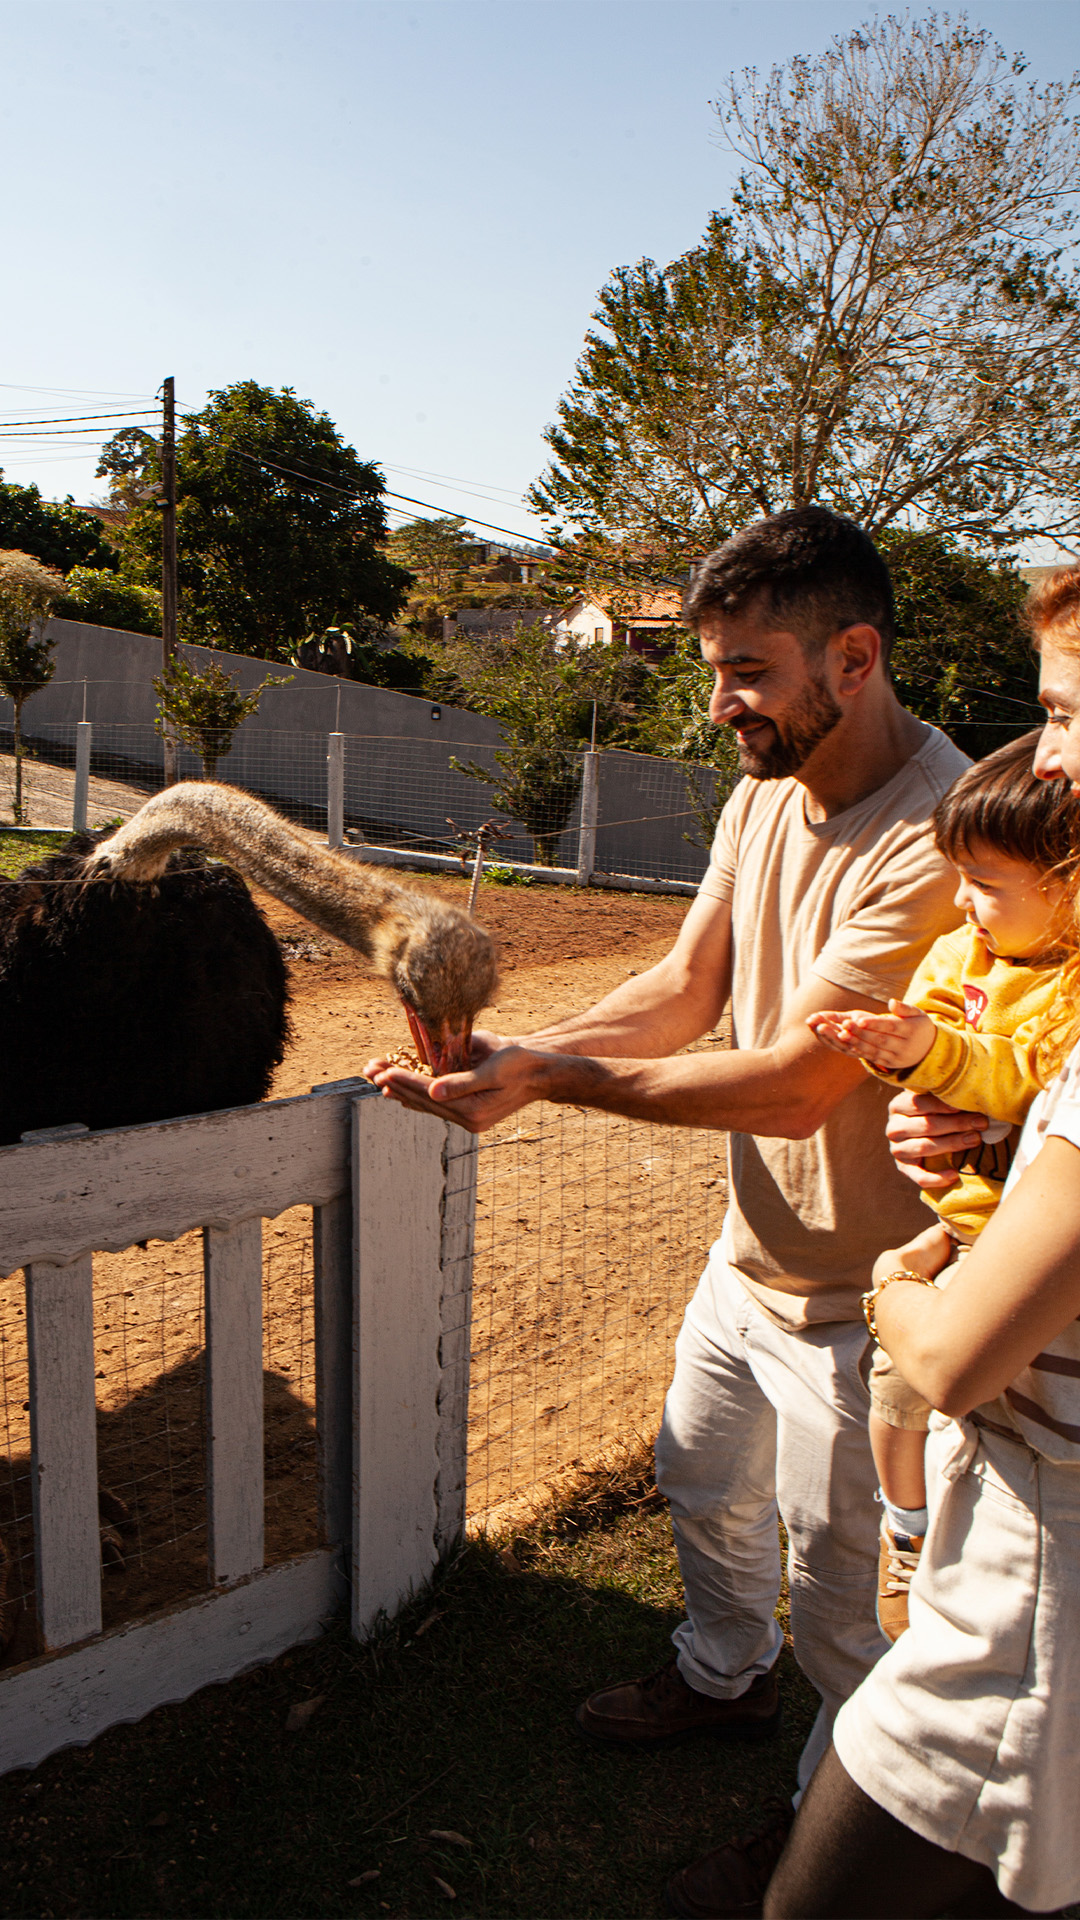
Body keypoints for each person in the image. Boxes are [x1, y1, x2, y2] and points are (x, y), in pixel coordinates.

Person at [369, 506, 969, 1903]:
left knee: (843, 1604)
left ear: (856, 656)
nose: (719, 707)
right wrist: (528, 1055)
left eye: (747, 671)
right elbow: (690, 990)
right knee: (698, 1478)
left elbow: (789, 1087)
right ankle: (721, 1678)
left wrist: (555, 1083)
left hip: (867, 1306)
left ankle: (826, 1807)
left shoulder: (933, 836)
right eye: (715, 671)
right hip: (749, 1257)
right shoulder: (770, 789)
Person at [759, 564, 1080, 1920]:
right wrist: (1004, 1155)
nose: (1053, 755)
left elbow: (952, 1357)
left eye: (1069, 716)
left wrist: (902, 1279)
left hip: (1041, 1590)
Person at [807, 736, 1074, 1639]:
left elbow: (1010, 1081)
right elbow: (933, 1066)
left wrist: (929, 1057)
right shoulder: (965, 954)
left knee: (939, 1385)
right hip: (966, 1233)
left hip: (1009, 1255)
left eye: (987, 884)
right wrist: (901, 1065)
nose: (962, 903)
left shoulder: (1068, 994)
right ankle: (908, 1527)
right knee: (898, 1394)